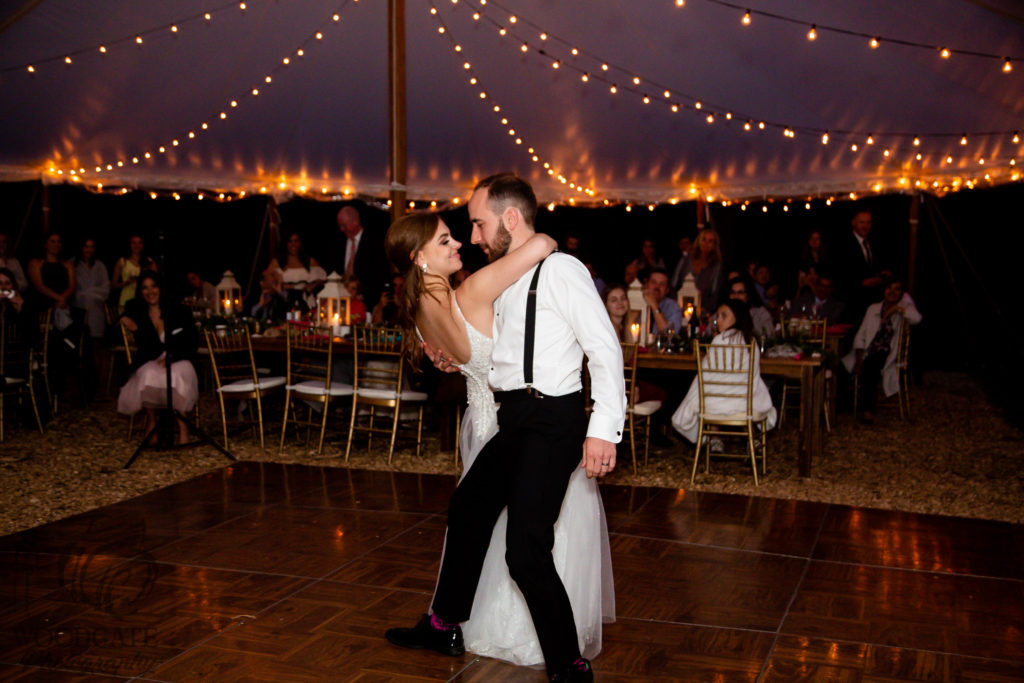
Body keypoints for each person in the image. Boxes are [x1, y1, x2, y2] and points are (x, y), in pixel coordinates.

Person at [384, 174, 624, 683]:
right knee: (468, 505)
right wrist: (458, 363)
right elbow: (504, 353)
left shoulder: (560, 270)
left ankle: (569, 665)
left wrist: (603, 427)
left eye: (477, 224)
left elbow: (605, 349)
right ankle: (443, 623)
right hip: (516, 419)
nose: (472, 237)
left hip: (552, 423)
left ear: (509, 219)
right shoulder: (507, 278)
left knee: (524, 549)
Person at [671, 299, 777, 443]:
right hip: (745, 404)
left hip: (716, 405)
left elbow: (705, 376)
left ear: (737, 317)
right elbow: (754, 377)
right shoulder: (751, 342)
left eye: (724, 316)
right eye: (718, 316)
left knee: (712, 389)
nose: (718, 320)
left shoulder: (719, 341)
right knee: (744, 393)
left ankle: (714, 438)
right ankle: (751, 440)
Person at [117, 271, 199, 444]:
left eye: (153, 286)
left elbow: (190, 342)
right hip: (151, 358)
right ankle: (152, 420)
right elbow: (148, 347)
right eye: (145, 288)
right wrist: (136, 329)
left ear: (160, 288)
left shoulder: (178, 310)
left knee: (175, 376)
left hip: (178, 357)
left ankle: (182, 426)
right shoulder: (138, 312)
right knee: (147, 374)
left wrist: (171, 356)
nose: (150, 291)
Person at [842, 277, 921, 424]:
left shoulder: (904, 308)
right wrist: (859, 356)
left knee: (870, 366)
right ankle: (843, 405)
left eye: (896, 289)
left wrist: (896, 309)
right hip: (868, 349)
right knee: (843, 366)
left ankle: (868, 411)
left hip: (887, 351)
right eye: (889, 288)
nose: (892, 292)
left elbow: (917, 318)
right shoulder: (873, 308)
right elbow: (861, 334)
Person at [835, 207, 890, 324]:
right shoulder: (844, 244)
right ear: (853, 223)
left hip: (870, 303)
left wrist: (881, 275)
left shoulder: (871, 242)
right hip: (851, 304)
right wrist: (866, 282)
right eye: (862, 222)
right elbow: (843, 275)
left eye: (868, 222)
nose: (865, 226)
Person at [335, 204, 388, 311]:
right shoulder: (339, 242)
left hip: (367, 303)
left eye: (344, 225)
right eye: (340, 226)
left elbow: (379, 273)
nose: (342, 229)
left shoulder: (374, 242)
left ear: (355, 222)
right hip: (342, 301)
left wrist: (364, 295)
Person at [267, 231, 326, 311]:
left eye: (296, 241)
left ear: (300, 243)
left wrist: (312, 285)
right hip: (282, 301)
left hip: (304, 301)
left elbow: (323, 278)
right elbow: (265, 280)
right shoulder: (277, 262)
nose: (293, 245)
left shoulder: (309, 261)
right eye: (290, 241)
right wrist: (282, 286)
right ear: (286, 243)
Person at [73, 238, 110, 340]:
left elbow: (106, 289)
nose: (88, 250)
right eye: (86, 247)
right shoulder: (72, 264)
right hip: (78, 310)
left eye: (91, 247)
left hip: (96, 311)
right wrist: (83, 295)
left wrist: (90, 293)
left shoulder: (100, 266)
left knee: (95, 342)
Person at [111, 234, 155, 313]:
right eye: (134, 243)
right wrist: (127, 282)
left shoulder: (149, 262)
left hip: (145, 299)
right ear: (129, 244)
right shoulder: (122, 261)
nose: (136, 245)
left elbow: (156, 282)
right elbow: (113, 285)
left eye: (139, 243)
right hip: (126, 299)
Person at [690, 228, 725, 312]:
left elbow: (715, 293)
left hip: (702, 309)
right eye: (704, 239)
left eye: (710, 241)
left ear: (714, 245)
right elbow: (674, 283)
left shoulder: (716, 266)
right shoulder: (687, 259)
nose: (706, 244)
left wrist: (703, 310)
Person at [642, 268, 682, 334]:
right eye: (653, 282)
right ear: (646, 285)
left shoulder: (674, 307)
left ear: (667, 290)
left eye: (662, 284)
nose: (657, 287)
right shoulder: (637, 303)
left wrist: (654, 305)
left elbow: (668, 334)